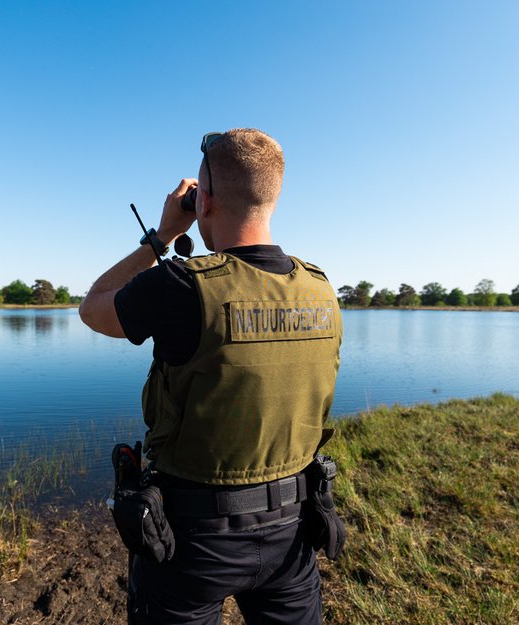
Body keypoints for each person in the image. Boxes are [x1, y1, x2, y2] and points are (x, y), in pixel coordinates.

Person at [80, 128, 343, 625]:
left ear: (205, 200)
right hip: (294, 525)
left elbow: (93, 309)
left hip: (192, 539)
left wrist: (161, 236)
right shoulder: (322, 290)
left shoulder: (181, 284)